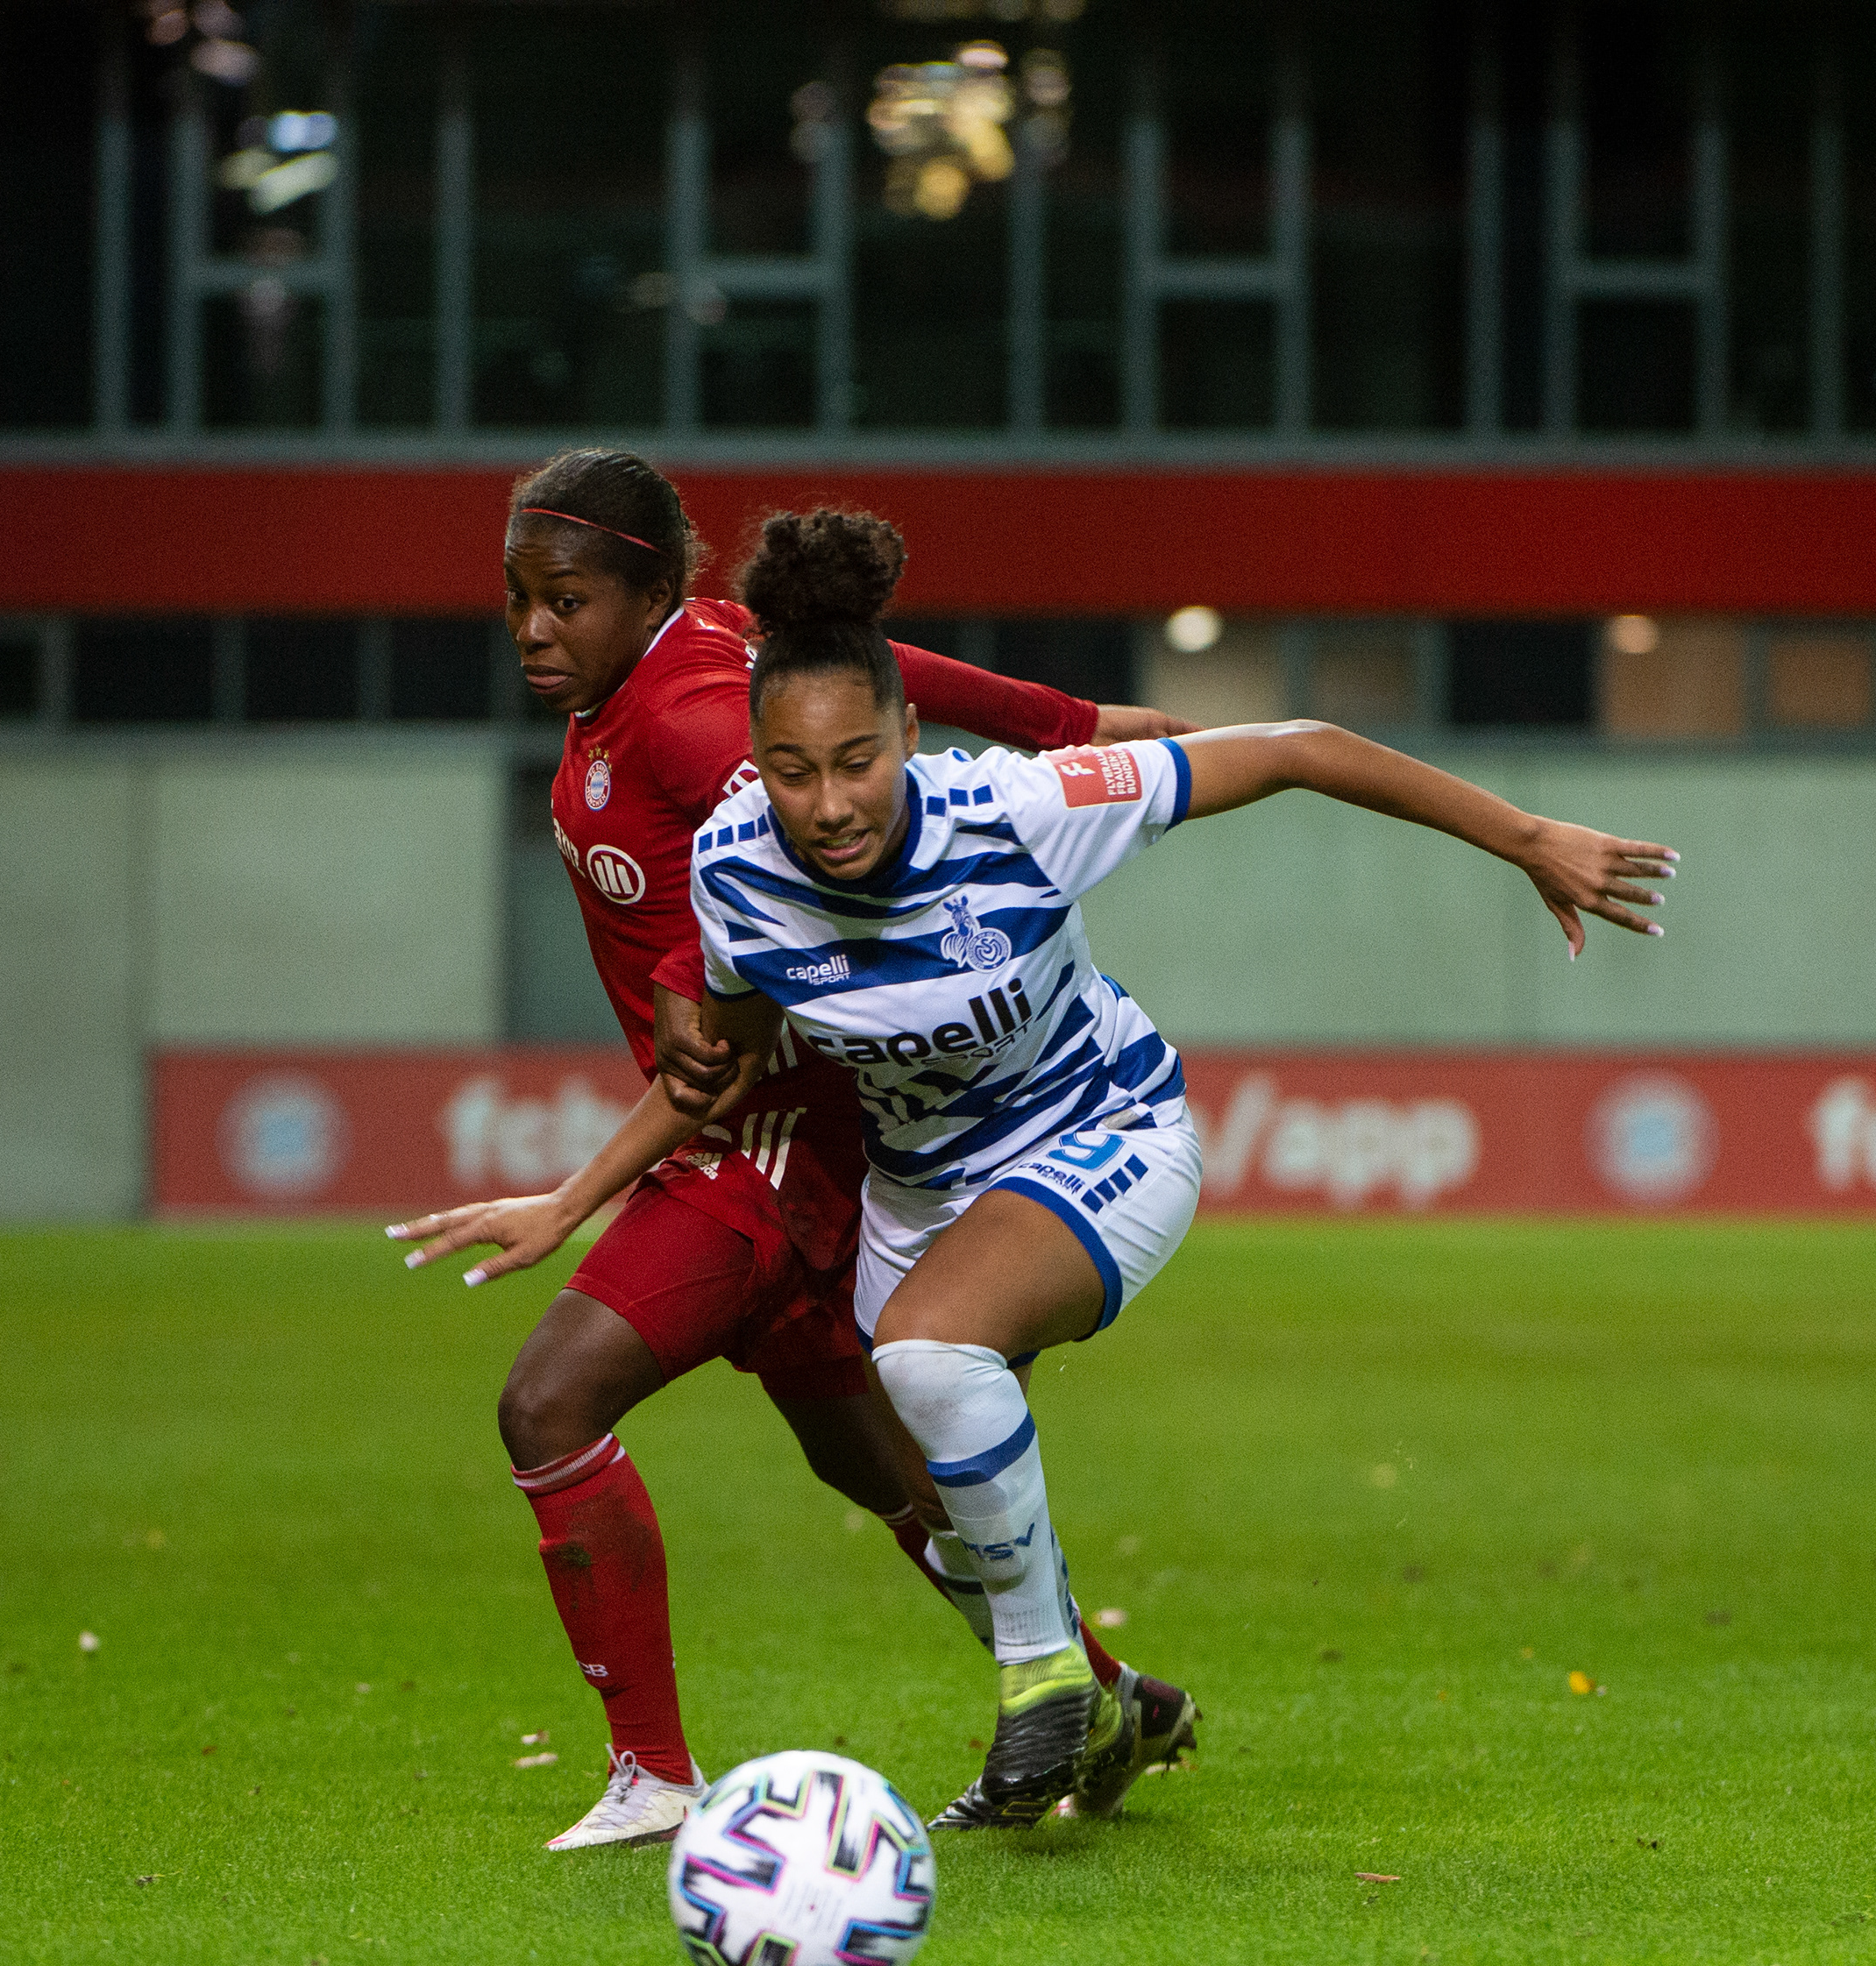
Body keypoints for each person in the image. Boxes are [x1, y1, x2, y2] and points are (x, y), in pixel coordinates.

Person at [600, 507, 1678, 1825]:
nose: (828, 804)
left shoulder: (1020, 811)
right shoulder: (733, 869)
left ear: (912, 738)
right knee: (931, 1499)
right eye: (791, 770)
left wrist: (1525, 838)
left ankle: (1046, 1680)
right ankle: (1111, 1716)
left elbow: (1299, 747)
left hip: (1101, 1133)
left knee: (929, 1356)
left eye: (858, 761)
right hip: (918, 1195)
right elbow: (724, 1046)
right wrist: (575, 1196)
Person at [387, 450, 1204, 1851]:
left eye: (564, 599)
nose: (533, 626)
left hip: (763, 1147)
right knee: (891, 1477)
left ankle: (653, 1775)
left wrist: (697, 989)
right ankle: (1105, 1697)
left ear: (652, 587)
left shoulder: (689, 718)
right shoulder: (694, 658)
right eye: (517, 597)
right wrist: (1069, 721)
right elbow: (870, 670)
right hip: (779, 1139)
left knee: (550, 1404)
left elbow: (809, 820)